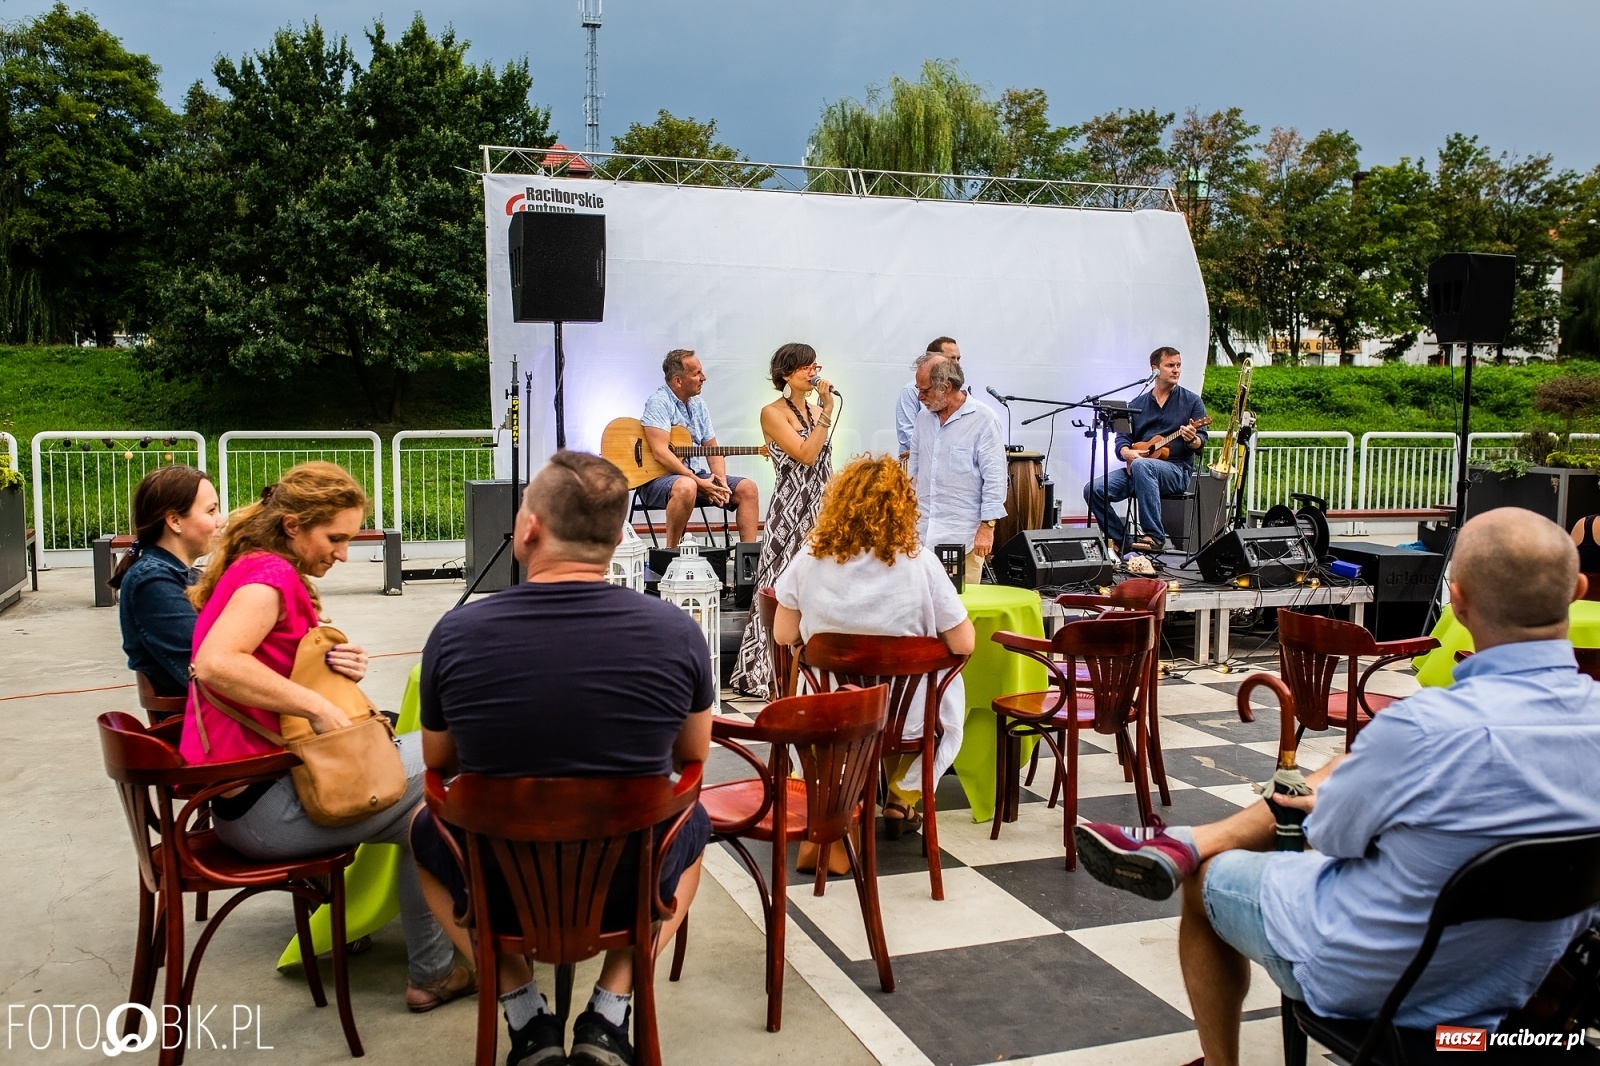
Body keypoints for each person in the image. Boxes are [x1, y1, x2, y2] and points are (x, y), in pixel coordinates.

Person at [1072, 507, 1600, 1066]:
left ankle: (1219, 1046)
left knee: (1207, 883)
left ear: (1459, 601)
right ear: (1578, 591)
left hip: (1380, 993)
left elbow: (1323, 835)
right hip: (1513, 1003)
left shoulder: (1422, 730)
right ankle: (1190, 840)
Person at [411, 450, 713, 1066]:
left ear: (529, 529)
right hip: (631, 882)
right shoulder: (676, 631)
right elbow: (695, 753)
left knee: (423, 828)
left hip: (497, 883)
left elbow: (438, 760)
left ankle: (524, 1010)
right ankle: (611, 1007)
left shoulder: (456, 633)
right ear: (621, 535)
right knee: (693, 821)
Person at [180, 462, 467, 1014]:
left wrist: (333, 667)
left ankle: (433, 974)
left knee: (422, 820)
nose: (342, 554)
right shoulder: (269, 578)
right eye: (335, 538)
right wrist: (315, 704)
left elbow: (261, 665)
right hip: (270, 812)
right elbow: (215, 663)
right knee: (449, 760)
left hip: (243, 804)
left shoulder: (251, 568)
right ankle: (493, 934)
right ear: (292, 525)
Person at [772, 455, 975, 835]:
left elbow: (784, 635)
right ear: (902, 506)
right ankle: (901, 795)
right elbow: (964, 642)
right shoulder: (922, 564)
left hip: (831, 712)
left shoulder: (809, 560)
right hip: (906, 719)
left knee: (814, 676)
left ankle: (841, 792)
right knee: (942, 683)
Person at [729, 342, 836, 699]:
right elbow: (806, 455)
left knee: (818, 585)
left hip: (820, 507)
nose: (813, 371)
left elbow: (823, 461)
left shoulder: (814, 410)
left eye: (814, 365)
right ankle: (766, 672)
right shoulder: (772, 412)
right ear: (787, 373)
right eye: (805, 367)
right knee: (781, 587)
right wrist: (827, 412)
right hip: (791, 510)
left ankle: (808, 670)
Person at [111, 465, 224, 698]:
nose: (220, 521)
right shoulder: (153, 582)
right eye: (211, 511)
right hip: (203, 727)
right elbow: (209, 669)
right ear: (174, 521)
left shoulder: (183, 575)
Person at [1083, 346, 1208, 554]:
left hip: (1176, 471)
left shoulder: (1192, 401)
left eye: (1178, 365)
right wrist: (1126, 452)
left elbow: (1201, 442)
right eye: (1170, 365)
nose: (1176, 370)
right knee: (1093, 490)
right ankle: (1123, 540)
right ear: (1155, 369)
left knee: (1142, 465)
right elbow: (1122, 438)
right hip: (1139, 469)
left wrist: (1192, 439)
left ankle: (1155, 535)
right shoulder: (1137, 403)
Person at [637, 348, 760, 547]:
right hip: (656, 480)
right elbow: (660, 452)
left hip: (694, 476)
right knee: (687, 486)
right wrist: (697, 481)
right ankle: (671, 553)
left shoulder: (698, 405)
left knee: (748, 489)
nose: (704, 377)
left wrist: (721, 482)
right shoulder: (658, 402)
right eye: (697, 374)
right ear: (678, 380)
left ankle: (749, 561)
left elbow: (712, 448)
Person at [908, 355, 1007, 585]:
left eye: (926, 391)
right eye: (918, 389)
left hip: (962, 539)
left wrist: (987, 528)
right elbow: (913, 470)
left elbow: (995, 480)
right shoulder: (923, 418)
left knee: (961, 610)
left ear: (947, 387)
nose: (919, 397)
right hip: (921, 537)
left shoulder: (983, 420)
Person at [895, 336, 961, 457]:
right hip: (918, 463)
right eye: (952, 358)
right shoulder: (910, 391)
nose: (956, 363)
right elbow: (907, 436)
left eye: (958, 358)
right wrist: (940, 453)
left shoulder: (963, 392)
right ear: (933, 359)